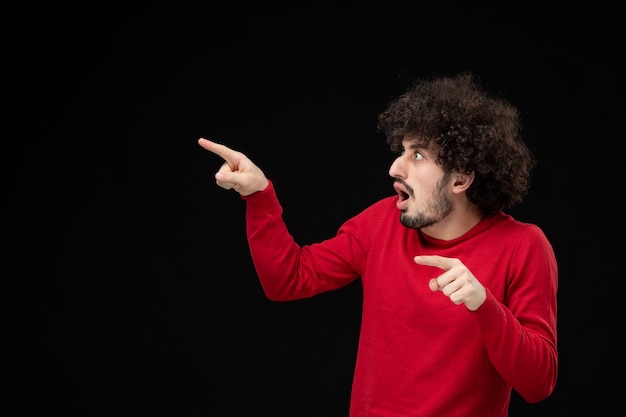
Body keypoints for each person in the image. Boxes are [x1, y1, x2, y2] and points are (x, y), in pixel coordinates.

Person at [197, 72, 558, 417]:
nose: (395, 168)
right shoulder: (381, 222)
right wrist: (260, 196)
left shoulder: (523, 246)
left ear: (461, 178)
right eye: (401, 151)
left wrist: (484, 305)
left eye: (417, 155)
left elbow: (538, 384)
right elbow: (289, 279)